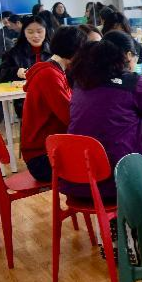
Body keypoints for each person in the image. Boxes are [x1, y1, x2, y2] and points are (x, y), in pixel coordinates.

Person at [66, 31, 142, 200]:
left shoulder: (80, 84)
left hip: (77, 181)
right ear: (128, 56)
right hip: (122, 183)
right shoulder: (132, 83)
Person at [20, 26, 88, 182]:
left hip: (48, 150)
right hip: (42, 158)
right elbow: (71, 117)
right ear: (76, 52)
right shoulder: (50, 75)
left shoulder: (54, 71)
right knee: (102, 162)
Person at [0, 15, 52, 82]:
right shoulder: (14, 53)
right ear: (24, 33)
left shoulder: (55, 51)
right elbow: (0, 74)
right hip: (26, 88)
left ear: (45, 32)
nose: (35, 36)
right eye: (30, 32)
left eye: (39, 31)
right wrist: (16, 72)